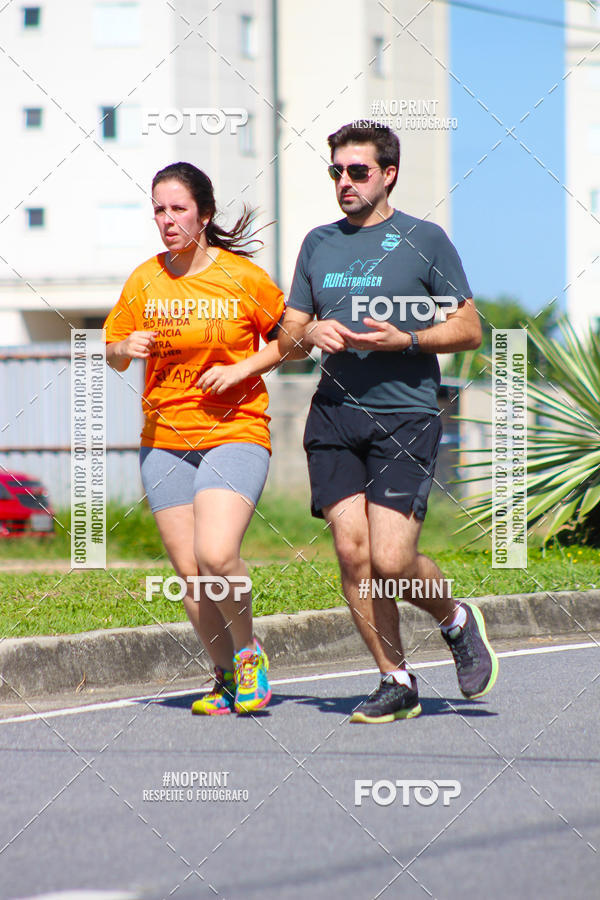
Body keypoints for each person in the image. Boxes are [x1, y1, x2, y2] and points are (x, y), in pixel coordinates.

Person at [278, 122, 498, 723]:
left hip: (406, 414)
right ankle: (395, 678)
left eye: (358, 171)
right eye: (336, 172)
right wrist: (308, 333)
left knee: (393, 561)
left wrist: (409, 339)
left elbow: (470, 328)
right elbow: (287, 337)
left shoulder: (425, 240)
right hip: (334, 416)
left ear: (389, 174)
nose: (344, 182)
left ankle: (454, 618)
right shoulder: (319, 243)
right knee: (354, 556)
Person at [104, 161, 292, 716]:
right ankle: (225, 677)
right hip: (164, 437)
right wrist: (124, 347)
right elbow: (112, 354)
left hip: (234, 430)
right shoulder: (145, 279)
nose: (167, 220)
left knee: (216, 553)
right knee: (190, 573)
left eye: (178, 208)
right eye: (158, 210)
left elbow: (294, 340)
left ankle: (250, 652)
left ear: (204, 215)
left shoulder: (241, 277)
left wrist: (241, 370)